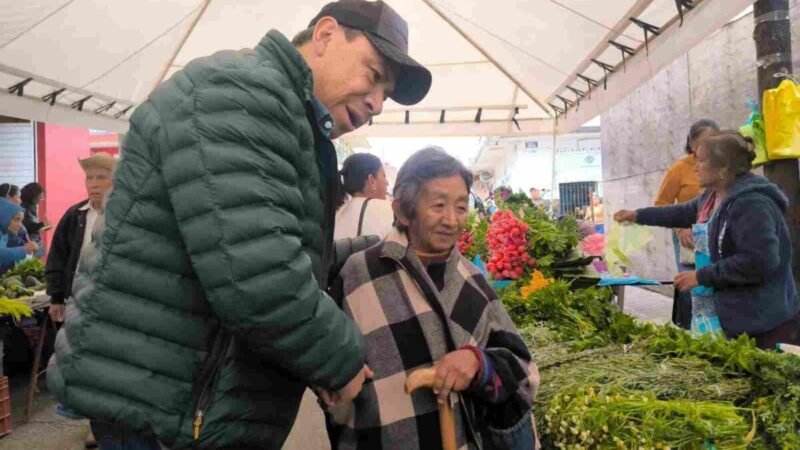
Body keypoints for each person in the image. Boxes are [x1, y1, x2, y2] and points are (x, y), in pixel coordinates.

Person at [47, 1, 432, 449]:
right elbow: (258, 276)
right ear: (326, 36)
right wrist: (341, 362)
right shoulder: (240, 92)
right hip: (165, 408)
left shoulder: (287, 118)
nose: (377, 102)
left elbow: (267, 244)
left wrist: (373, 250)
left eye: (385, 93)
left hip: (183, 399)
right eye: (374, 74)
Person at [326, 148, 538, 449]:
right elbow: (322, 362)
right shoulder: (358, 274)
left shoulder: (470, 277)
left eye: (461, 207)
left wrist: (479, 364)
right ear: (401, 210)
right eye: (438, 205)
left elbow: (521, 368)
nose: (451, 220)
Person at [614, 131, 800, 349]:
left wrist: (701, 276)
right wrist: (637, 215)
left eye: (701, 161)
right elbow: (681, 213)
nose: (695, 168)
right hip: (735, 317)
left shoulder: (752, 204)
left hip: (762, 321)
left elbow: (759, 261)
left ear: (723, 169)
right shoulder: (712, 197)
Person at [655, 118, 720, 329]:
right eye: (704, 142)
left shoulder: (722, 166)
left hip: (717, 235)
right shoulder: (679, 170)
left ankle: (714, 331)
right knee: (691, 284)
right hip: (689, 239)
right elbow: (661, 204)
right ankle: (691, 331)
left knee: (715, 284)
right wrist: (680, 228)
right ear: (692, 144)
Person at [334, 153, 394, 240]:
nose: (387, 182)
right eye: (383, 176)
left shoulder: (339, 212)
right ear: (372, 180)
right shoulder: (387, 210)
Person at [0, 199, 37, 273]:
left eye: (21, 221)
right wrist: (24, 249)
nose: (20, 225)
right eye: (17, 220)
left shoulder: (4, 232)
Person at [20, 183, 48, 253]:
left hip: (35, 242)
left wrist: (43, 226)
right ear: (32, 196)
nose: (41, 200)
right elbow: (24, 227)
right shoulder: (21, 208)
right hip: (27, 245)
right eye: (39, 197)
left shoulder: (32, 206)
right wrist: (41, 225)